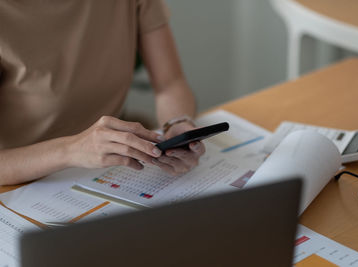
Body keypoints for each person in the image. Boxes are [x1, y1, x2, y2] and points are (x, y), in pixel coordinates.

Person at [0, 0, 205, 185]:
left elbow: (170, 84)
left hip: (109, 172)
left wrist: (176, 123)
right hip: (22, 182)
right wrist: (72, 150)